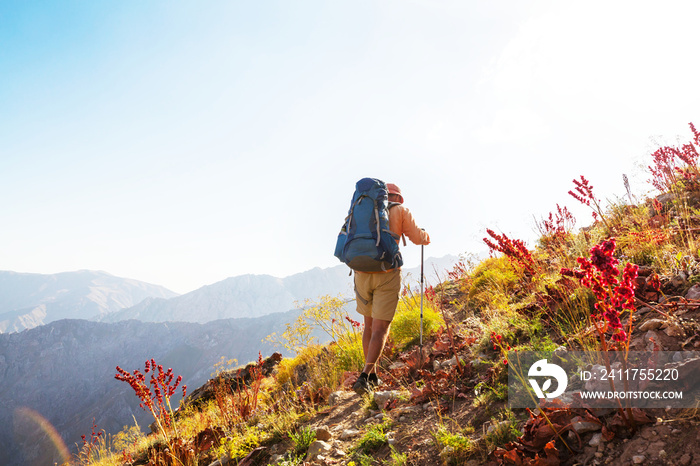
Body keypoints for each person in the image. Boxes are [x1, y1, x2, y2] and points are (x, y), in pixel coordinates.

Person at [352, 182, 430, 395]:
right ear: (399, 198)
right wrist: (426, 235)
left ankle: (373, 374)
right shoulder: (401, 211)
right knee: (380, 329)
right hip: (386, 275)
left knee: (368, 327)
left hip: (361, 274)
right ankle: (365, 376)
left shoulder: (364, 209)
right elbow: (417, 238)